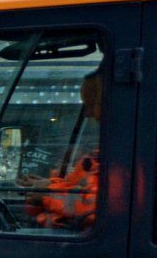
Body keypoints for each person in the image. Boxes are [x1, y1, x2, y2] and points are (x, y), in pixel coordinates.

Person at [22, 70, 104, 232]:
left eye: (91, 105)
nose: (87, 114)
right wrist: (47, 185)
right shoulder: (98, 158)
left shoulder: (122, 159)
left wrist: (46, 195)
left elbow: (94, 209)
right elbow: (74, 189)